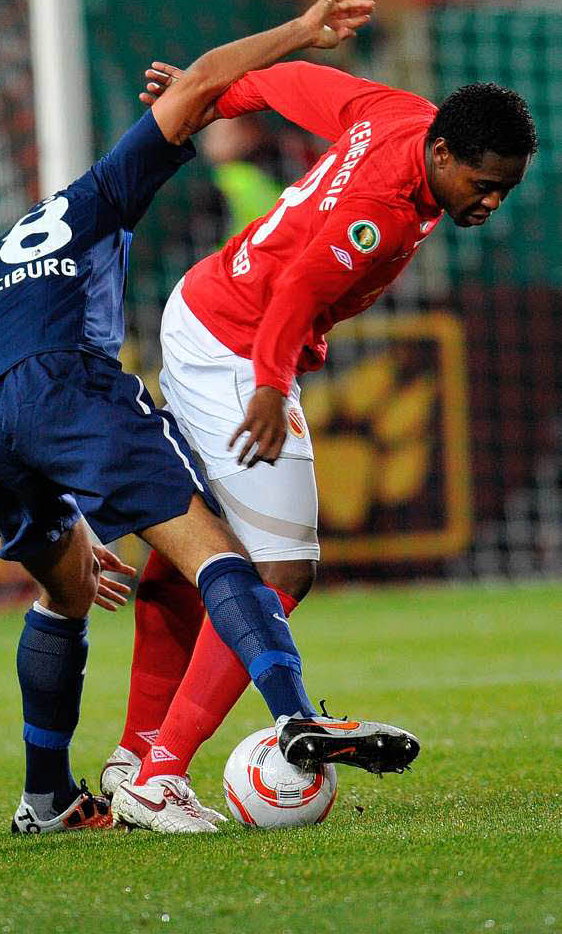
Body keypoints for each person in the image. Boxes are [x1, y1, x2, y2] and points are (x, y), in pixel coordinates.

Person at [0, 0, 417, 837]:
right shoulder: (95, 197)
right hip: (66, 384)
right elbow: (194, 90)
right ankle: (294, 713)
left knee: (65, 593)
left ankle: (46, 800)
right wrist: (300, 33)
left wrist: (59, 516)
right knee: (224, 554)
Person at [103, 50, 537, 814]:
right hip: (237, 348)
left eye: (506, 187)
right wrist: (270, 386)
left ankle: (136, 751)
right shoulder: (385, 209)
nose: (493, 200)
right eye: (483, 183)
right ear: (442, 154)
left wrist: (209, 98)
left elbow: (286, 80)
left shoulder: (400, 114)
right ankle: (160, 777)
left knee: (191, 557)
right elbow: (300, 286)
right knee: (282, 570)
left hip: (207, 311)